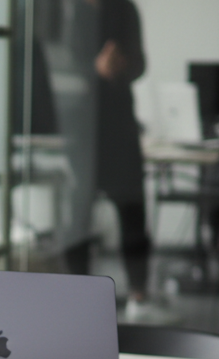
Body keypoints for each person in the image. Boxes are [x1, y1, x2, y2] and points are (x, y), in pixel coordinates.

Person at [63, 0, 154, 318]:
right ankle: (78, 298)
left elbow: (141, 63)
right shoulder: (71, 10)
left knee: (132, 211)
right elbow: (61, 63)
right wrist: (94, 68)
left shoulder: (125, 9)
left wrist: (120, 64)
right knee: (78, 214)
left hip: (119, 126)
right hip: (81, 126)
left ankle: (139, 296)